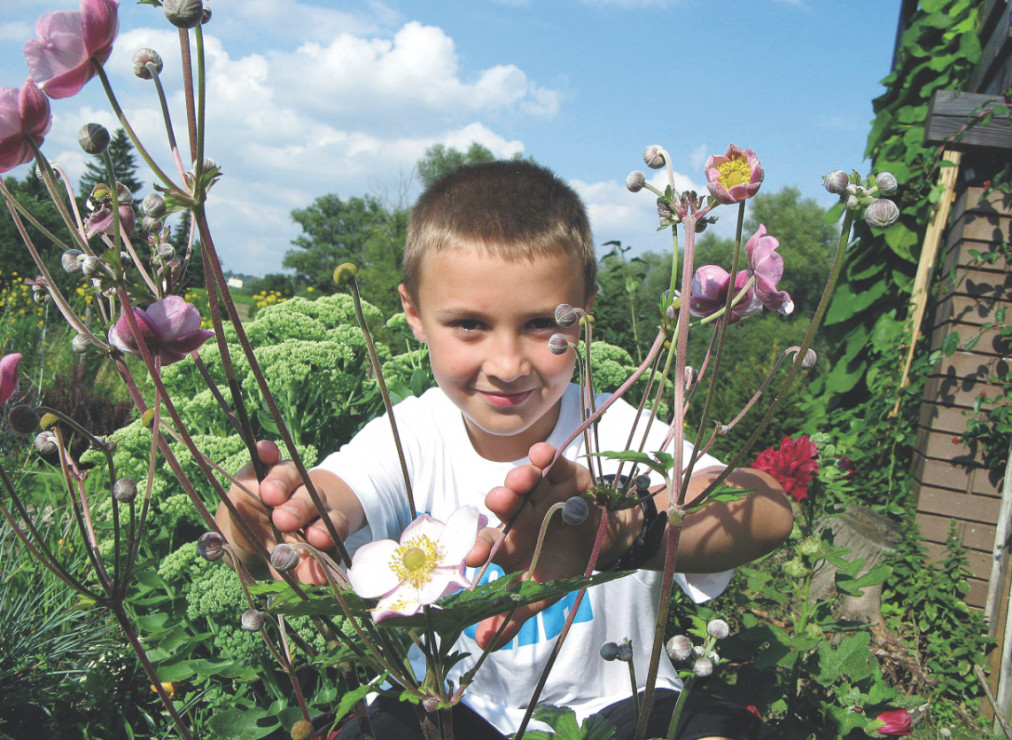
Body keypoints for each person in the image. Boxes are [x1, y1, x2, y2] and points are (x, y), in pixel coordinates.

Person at [217, 161, 793, 740]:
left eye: (543, 324)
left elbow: (765, 506)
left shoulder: (621, 432)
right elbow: (329, 497)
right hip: (443, 702)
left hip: (621, 703)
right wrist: (267, 516)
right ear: (414, 314)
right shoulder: (411, 433)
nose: (508, 364)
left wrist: (617, 529)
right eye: (469, 324)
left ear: (584, 311)